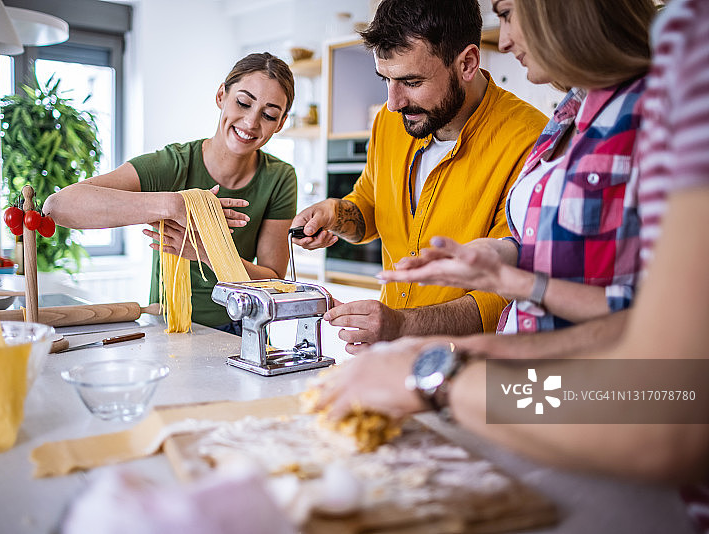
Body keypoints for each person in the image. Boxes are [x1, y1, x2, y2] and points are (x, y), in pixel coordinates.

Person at [312, 0, 709, 522]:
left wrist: (435, 377)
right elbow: (627, 318)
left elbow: (667, 408)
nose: (507, 34)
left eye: (507, 10)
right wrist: (487, 319)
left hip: (575, 418)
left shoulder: (682, 54)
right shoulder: (573, 110)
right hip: (528, 395)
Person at [379, 0, 654, 338]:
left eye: (507, 13)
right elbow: (564, 247)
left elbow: (662, 315)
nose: (504, 41)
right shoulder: (570, 112)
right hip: (532, 373)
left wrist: (516, 283)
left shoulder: (660, 116)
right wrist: (501, 252)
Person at [291, 0, 548, 353]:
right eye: (386, 80)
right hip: (388, 357)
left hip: (471, 367)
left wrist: (404, 326)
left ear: (467, 63)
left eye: (411, 81)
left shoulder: (530, 140)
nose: (393, 102)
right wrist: (335, 213)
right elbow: (368, 206)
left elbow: (508, 290)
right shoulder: (389, 122)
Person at [44, 53, 297, 334]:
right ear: (221, 96)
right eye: (243, 102)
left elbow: (274, 282)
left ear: (281, 122)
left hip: (242, 328)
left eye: (269, 114)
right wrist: (175, 203)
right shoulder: (173, 165)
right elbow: (58, 206)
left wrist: (206, 252)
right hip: (167, 326)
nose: (251, 122)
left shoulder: (279, 177)